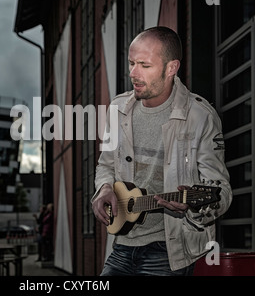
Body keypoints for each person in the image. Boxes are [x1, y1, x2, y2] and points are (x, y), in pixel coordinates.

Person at [92, 26, 232, 276]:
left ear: (171, 68)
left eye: (144, 65)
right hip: (122, 245)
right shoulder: (118, 109)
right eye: (131, 63)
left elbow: (221, 190)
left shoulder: (200, 117)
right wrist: (103, 189)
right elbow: (106, 165)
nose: (133, 73)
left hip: (170, 251)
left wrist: (193, 206)